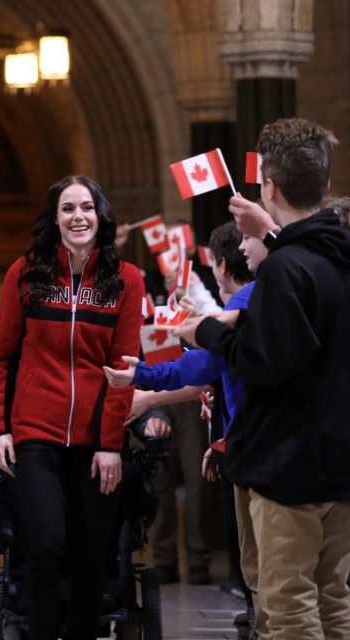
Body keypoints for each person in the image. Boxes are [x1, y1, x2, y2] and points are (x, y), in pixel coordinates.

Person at [176, 117, 350, 640]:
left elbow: (263, 362)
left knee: (287, 611)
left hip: (288, 466)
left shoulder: (283, 268)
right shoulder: (338, 254)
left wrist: (207, 331)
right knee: (335, 603)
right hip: (339, 461)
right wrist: (270, 232)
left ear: (268, 187)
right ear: (323, 186)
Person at [0, 175, 145, 640]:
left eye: (87, 208)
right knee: (45, 547)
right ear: (54, 219)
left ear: (101, 216)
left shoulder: (126, 281)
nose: (79, 216)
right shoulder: (26, 272)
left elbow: (123, 369)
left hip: (98, 439)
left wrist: (111, 443)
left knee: (92, 550)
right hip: (35, 433)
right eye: (68, 208)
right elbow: (2, 359)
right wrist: (0, 428)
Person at [105, 221, 259, 636]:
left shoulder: (244, 303)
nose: (249, 247)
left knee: (277, 576)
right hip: (245, 438)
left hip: (260, 446)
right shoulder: (253, 298)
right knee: (270, 571)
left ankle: (244, 598)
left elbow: (206, 362)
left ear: (219, 266)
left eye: (252, 239)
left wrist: (147, 380)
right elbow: (208, 364)